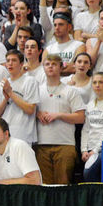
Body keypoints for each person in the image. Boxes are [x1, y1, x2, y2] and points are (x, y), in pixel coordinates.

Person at [35, 53, 85, 184]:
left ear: (61, 67)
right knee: (44, 186)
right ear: (43, 67)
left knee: (63, 186)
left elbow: (81, 117)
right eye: (47, 64)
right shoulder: (37, 90)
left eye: (54, 64)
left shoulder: (71, 91)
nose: (50, 67)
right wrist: (37, 113)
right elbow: (27, 111)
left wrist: (59, 115)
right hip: (41, 144)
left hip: (65, 144)